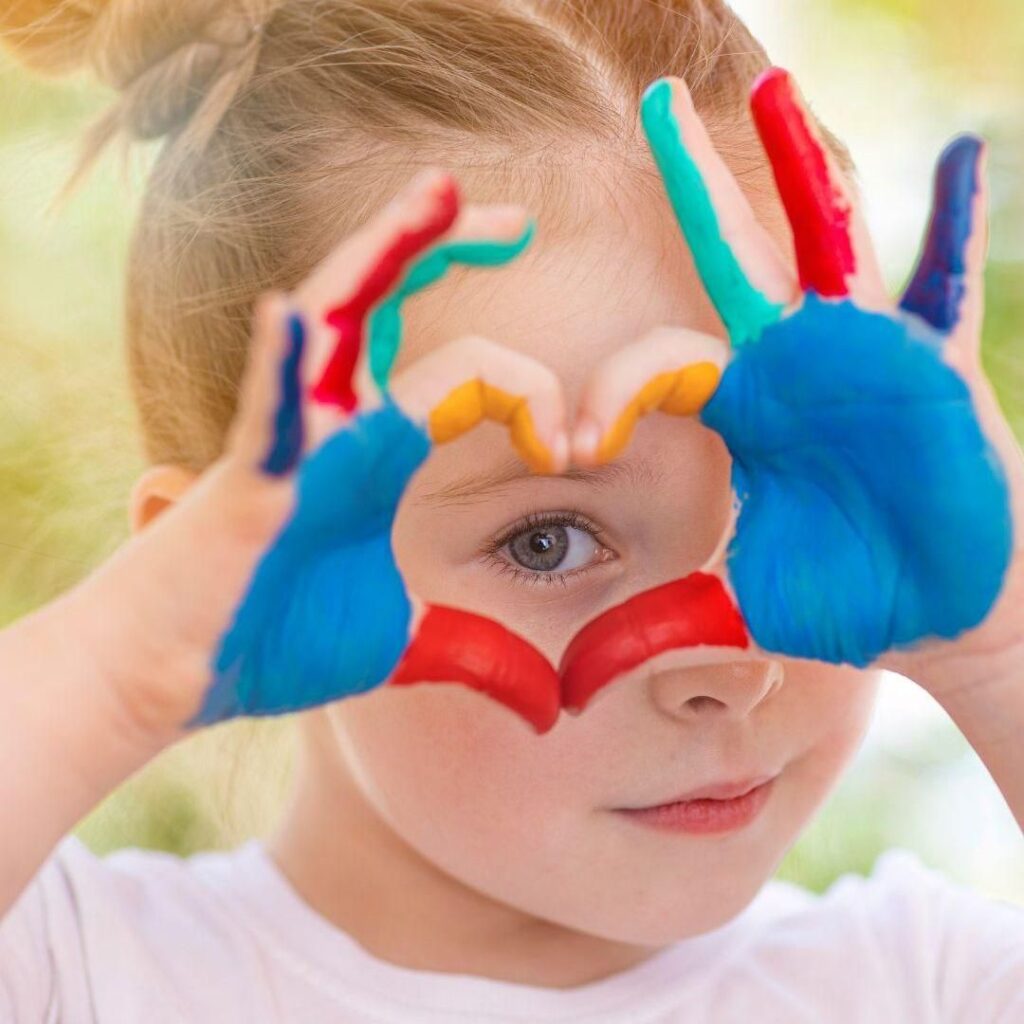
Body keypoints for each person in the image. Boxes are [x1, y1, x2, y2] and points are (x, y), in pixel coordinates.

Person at [1, 1, 1022, 1020]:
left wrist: (997, 652)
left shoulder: (928, 983)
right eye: (549, 541)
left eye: (788, 503)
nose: (732, 668)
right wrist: (120, 669)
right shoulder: (78, 971)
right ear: (224, 585)